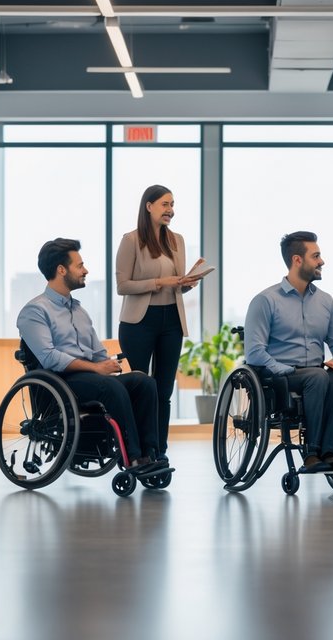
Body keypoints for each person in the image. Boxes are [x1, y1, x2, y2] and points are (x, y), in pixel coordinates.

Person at [17, 238, 165, 474]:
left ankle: (150, 454)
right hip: (60, 382)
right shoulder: (35, 311)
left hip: (90, 379)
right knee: (110, 387)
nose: (85, 271)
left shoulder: (79, 310)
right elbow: (49, 357)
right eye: (80, 266)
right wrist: (96, 369)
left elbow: (97, 352)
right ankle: (133, 458)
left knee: (144, 382)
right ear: (61, 270)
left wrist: (106, 364)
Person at [244, 231, 333, 474]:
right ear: (297, 260)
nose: (322, 261)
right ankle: (312, 453)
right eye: (316, 256)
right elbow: (254, 352)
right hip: (278, 376)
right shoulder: (265, 300)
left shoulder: (326, 301)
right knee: (318, 376)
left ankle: (331, 453)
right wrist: (285, 369)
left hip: (315, 374)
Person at [115, 185, 203, 463]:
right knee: (142, 390)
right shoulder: (131, 240)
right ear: (149, 206)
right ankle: (138, 451)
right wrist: (159, 282)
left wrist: (186, 283)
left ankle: (158, 451)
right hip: (139, 323)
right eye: (165, 204)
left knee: (164, 391)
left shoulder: (177, 240)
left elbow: (176, 286)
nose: (170, 210)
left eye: (172, 205)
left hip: (171, 320)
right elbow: (122, 285)